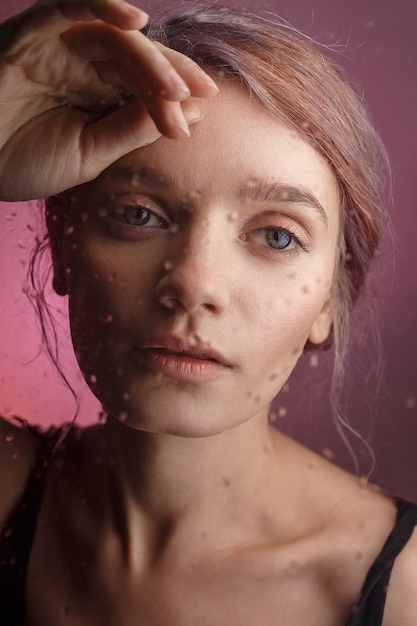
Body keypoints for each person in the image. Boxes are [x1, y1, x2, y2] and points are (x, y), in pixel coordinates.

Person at [0, 0, 416, 624]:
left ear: (330, 297)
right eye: (139, 214)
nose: (193, 285)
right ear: (63, 244)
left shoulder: (403, 589)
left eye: (277, 235)